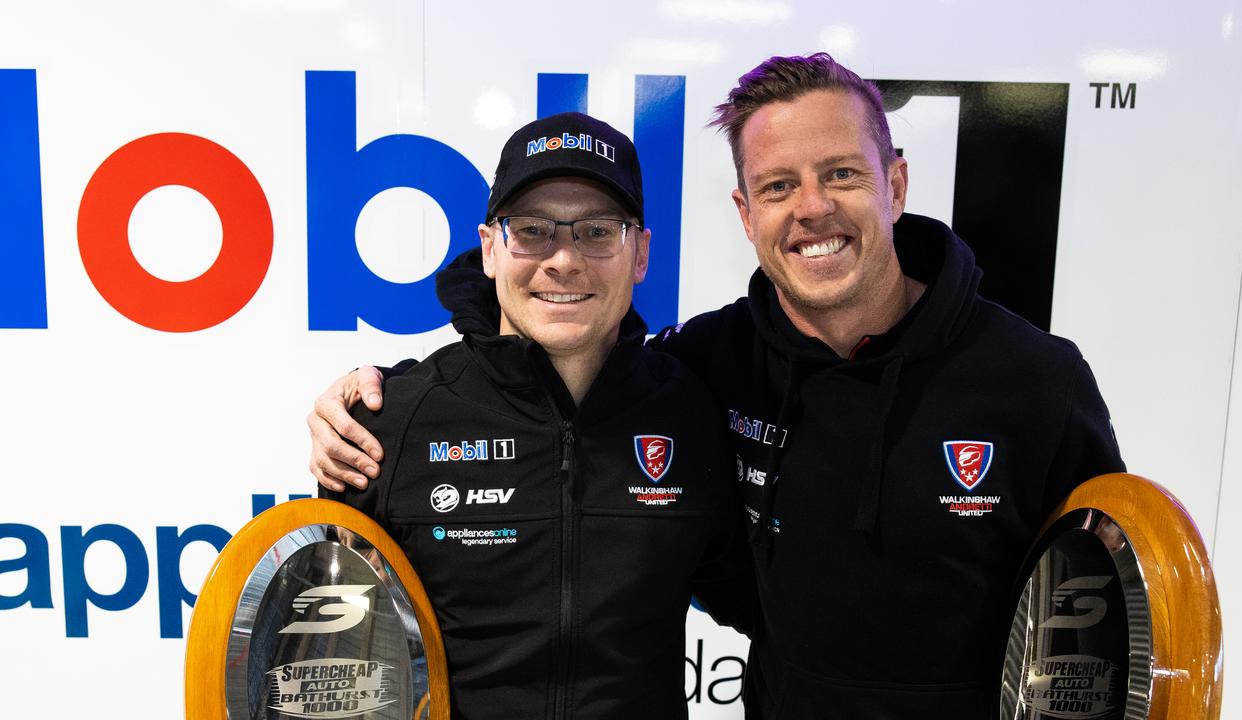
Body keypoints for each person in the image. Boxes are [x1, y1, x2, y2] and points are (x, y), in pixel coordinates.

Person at [309, 54, 1124, 718]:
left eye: (840, 173)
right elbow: (326, 653)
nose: (811, 208)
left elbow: (1102, 616)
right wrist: (359, 397)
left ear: (896, 186)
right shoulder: (702, 370)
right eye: (777, 186)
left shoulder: (1036, 382)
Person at [318, 111, 747, 720]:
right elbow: (334, 667)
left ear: (641, 253)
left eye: (598, 231)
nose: (564, 260)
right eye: (533, 230)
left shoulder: (692, 414)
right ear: (491, 247)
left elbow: (766, 602)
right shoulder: (388, 423)